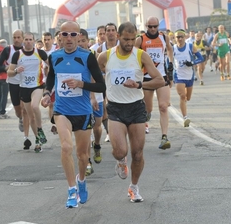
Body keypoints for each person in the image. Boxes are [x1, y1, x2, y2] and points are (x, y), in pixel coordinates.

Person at [97, 22, 165, 203]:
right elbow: (95, 79)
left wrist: (139, 84)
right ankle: (120, 161)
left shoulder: (141, 56)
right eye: (125, 39)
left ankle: (134, 187)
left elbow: (159, 80)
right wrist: (93, 99)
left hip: (135, 107)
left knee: (137, 153)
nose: (129, 43)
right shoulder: (105, 57)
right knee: (120, 151)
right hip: (115, 108)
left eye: (132, 39)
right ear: (118, 37)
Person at [41, 21, 105, 208]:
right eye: (65, 34)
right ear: (59, 37)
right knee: (66, 147)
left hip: (83, 112)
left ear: (79, 37)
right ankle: (71, 190)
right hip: (62, 110)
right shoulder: (55, 57)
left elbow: (101, 86)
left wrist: (81, 84)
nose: (69, 38)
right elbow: (51, 77)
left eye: (73, 34)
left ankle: (81, 180)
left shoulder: (88, 57)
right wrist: (46, 94)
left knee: (82, 155)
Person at [135, 16, 173, 150]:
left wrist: (171, 65)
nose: (152, 29)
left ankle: (164, 137)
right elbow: (133, 55)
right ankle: (147, 114)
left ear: (158, 26)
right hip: (147, 77)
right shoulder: (140, 39)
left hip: (162, 77)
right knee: (148, 109)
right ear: (146, 26)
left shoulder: (164, 37)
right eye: (149, 27)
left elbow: (169, 49)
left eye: (155, 26)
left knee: (163, 106)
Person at [7, 32, 48, 153]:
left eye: (31, 39)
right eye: (26, 39)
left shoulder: (40, 53)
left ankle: (40, 130)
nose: (28, 41)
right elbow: (9, 73)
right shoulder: (17, 55)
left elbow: (52, 65)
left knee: (35, 106)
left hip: (37, 86)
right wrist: (16, 70)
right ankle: (37, 140)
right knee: (31, 117)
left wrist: (51, 74)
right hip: (24, 87)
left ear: (34, 41)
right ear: (23, 41)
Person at [0, 30, 31, 149]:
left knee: (25, 108)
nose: (16, 39)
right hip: (13, 82)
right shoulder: (8, 50)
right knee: (18, 110)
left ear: (23, 38)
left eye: (19, 37)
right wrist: (8, 68)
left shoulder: (29, 50)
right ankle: (20, 118)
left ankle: (26, 134)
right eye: (14, 37)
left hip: (26, 82)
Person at [78, 28, 104, 176]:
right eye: (79, 41)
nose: (81, 44)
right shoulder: (73, 56)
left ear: (88, 42)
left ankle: (98, 145)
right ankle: (87, 161)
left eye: (83, 41)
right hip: (82, 98)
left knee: (97, 127)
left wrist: (94, 96)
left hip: (96, 96)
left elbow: (96, 78)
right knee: (86, 130)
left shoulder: (94, 55)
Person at [172, 29, 204, 127]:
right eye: (178, 37)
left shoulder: (190, 46)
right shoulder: (173, 48)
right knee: (182, 96)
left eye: (182, 37)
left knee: (187, 98)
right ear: (175, 38)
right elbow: (167, 59)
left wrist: (192, 63)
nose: (180, 39)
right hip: (178, 76)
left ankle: (184, 104)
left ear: (185, 37)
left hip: (189, 76)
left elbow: (201, 58)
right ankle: (185, 117)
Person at [42, 31, 58, 134]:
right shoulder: (40, 52)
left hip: (55, 80)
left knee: (56, 103)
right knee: (50, 104)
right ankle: (53, 123)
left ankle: (57, 124)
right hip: (44, 81)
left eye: (49, 39)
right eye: (45, 40)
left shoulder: (55, 51)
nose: (47, 41)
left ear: (52, 40)